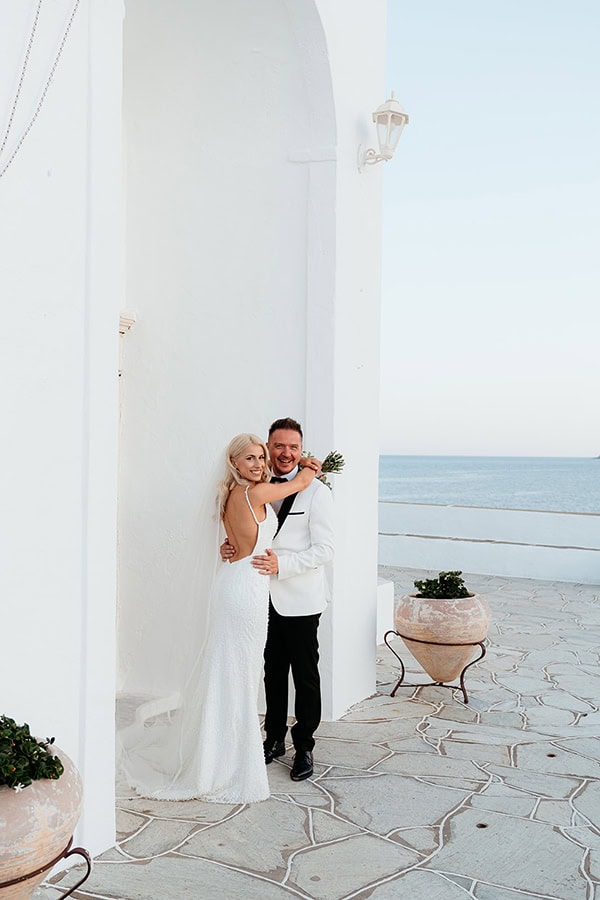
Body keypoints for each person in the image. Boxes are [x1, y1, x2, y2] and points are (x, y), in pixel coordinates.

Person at [119, 433, 316, 804]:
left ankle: (216, 758)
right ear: (235, 464)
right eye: (252, 459)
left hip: (236, 582)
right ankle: (224, 766)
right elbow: (302, 482)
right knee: (238, 677)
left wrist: (235, 547)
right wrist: (310, 465)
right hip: (245, 593)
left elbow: (236, 543)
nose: (260, 464)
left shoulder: (229, 495)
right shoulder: (254, 494)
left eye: (261, 457)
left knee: (229, 674)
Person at [222, 417, 335, 782]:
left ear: (301, 453)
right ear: (269, 448)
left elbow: (325, 549)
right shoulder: (259, 485)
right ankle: (273, 739)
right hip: (259, 597)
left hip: (301, 599)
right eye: (279, 446)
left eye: (293, 448)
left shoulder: (318, 492)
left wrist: (281, 565)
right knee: (271, 672)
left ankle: (304, 746)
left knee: (305, 676)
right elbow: (252, 532)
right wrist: (234, 547)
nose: (285, 453)